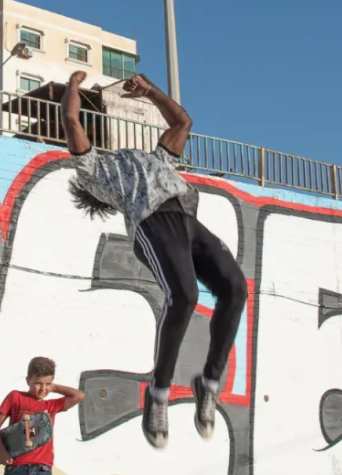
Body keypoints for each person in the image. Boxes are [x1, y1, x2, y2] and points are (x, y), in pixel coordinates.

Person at [60, 71, 247, 449]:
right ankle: (158, 394)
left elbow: (183, 121)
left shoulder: (158, 158)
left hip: (189, 222)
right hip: (153, 226)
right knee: (185, 297)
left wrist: (150, 92)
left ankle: (209, 383)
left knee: (236, 288)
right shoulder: (95, 171)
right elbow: (70, 120)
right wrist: (72, 87)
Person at [0, 357, 84, 475]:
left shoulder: (51, 406)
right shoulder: (15, 397)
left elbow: (79, 396)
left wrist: (53, 387)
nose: (43, 388)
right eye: (38, 383)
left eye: (47, 384)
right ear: (28, 380)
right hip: (17, 466)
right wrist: (2, 452)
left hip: (42, 468)